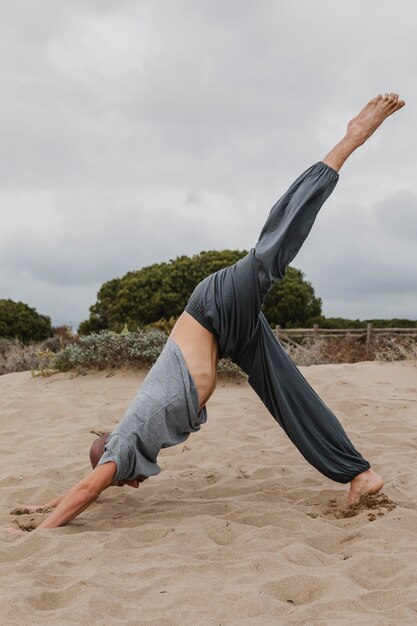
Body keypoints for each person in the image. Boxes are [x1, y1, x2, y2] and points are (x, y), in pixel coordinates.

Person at [11, 93, 406, 531]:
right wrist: (41, 506)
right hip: (230, 336)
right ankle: (360, 474)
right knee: (287, 396)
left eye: (121, 480)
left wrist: (41, 532)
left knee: (271, 249)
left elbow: (89, 490)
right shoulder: (131, 439)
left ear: (113, 457)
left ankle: (349, 140)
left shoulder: (125, 443)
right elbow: (88, 483)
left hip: (215, 308)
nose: (130, 484)